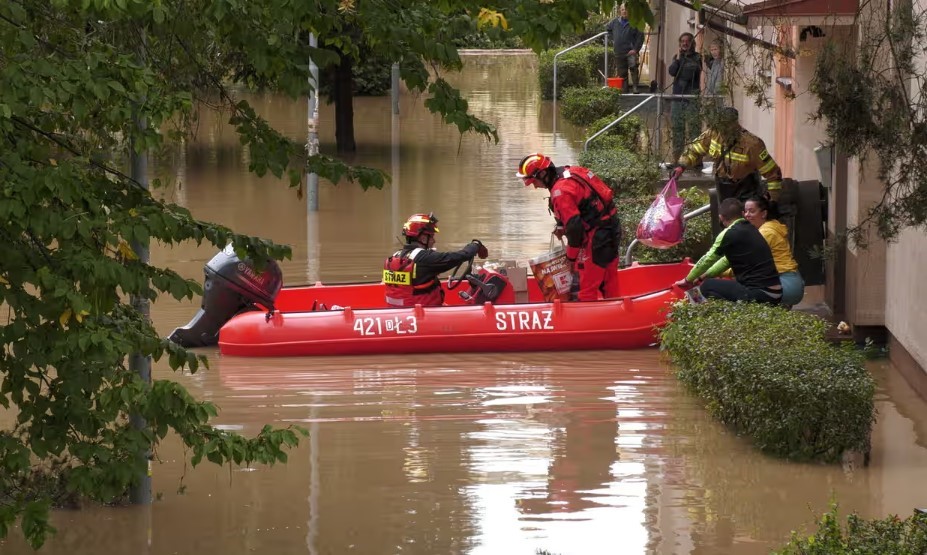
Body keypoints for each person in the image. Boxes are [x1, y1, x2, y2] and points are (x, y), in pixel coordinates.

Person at [516, 153, 621, 301]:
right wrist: (561, 226)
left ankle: (587, 320)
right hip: (612, 227)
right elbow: (585, 204)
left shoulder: (560, 191)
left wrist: (570, 257)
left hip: (596, 238)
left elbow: (575, 229)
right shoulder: (572, 171)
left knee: (586, 286)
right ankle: (615, 310)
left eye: (534, 181)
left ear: (544, 174)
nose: (534, 186)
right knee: (609, 278)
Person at [674, 198, 782, 304]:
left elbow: (708, 259)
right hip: (776, 292)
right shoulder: (750, 228)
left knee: (708, 286)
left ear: (721, 217)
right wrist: (703, 276)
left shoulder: (729, 233)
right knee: (711, 284)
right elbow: (726, 261)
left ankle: (690, 310)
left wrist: (687, 280)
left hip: (760, 293)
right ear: (742, 213)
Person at [703, 196, 805, 306]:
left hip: (785, 284)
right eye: (745, 211)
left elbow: (736, 262)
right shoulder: (768, 227)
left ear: (764, 214)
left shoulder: (765, 233)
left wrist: (710, 272)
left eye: (751, 211)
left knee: (715, 287)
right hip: (789, 282)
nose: (747, 215)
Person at [673, 106, 783, 203]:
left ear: (735, 124)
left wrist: (772, 200)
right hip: (723, 189)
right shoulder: (713, 134)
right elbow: (694, 150)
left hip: (746, 192)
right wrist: (681, 166)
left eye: (726, 126)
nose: (723, 130)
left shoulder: (752, 144)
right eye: (720, 125)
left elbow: (773, 173)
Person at [383, 213, 488, 307]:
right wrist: (475, 245)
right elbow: (461, 256)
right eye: (431, 236)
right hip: (423, 315)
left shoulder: (393, 258)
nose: (434, 241)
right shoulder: (424, 258)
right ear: (423, 238)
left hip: (398, 312)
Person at [668, 32, 702, 160]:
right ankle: (677, 159)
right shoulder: (677, 58)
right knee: (677, 129)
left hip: (692, 99)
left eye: (687, 41)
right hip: (677, 99)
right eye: (682, 41)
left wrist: (686, 59)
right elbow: (672, 72)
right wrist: (678, 59)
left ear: (692, 43)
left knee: (694, 130)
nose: (684, 43)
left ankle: (695, 160)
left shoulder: (697, 58)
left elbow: (690, 73)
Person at [605, 4, 644, 92]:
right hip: (619, 52)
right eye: (622, 10)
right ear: (620, 11)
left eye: (626, 9)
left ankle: (635, 88)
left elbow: (640, 37)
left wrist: (635, 49)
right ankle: (624, 90)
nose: (624, 11)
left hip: (631, 52)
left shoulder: (635, 22)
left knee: (634, 69)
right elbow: (607, 29)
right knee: (622, 73)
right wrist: (613, 38)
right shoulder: (615, 22)